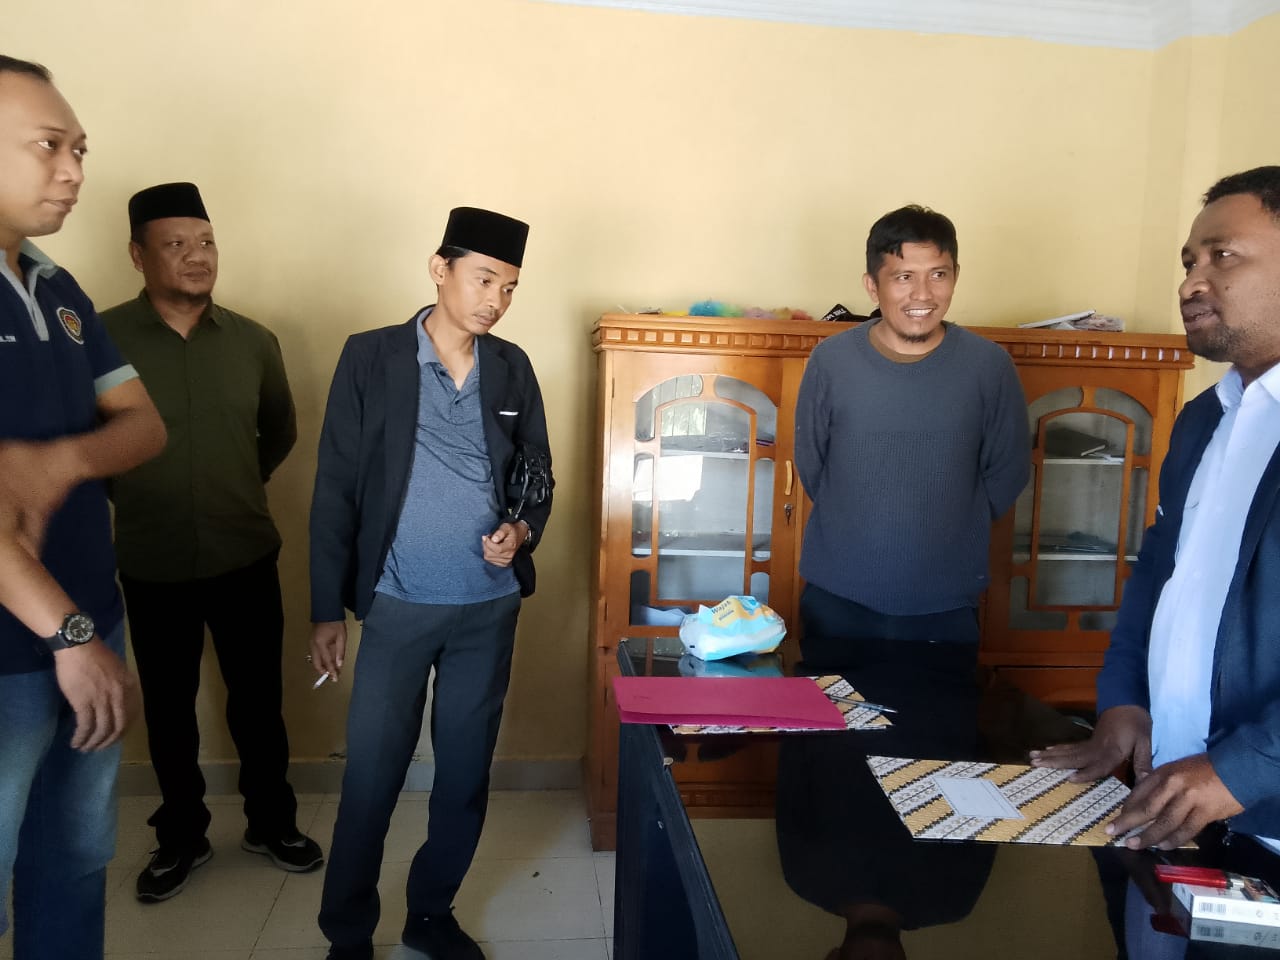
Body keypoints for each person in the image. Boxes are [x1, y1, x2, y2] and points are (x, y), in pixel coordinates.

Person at [309, 206, 553, 960]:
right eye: (484, 279)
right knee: (371, 780)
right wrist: (325, 609)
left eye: (509, 288)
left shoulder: (511, 366)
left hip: (487, 609)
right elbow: (335, 485)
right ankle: (348, 932)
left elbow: (537, 475)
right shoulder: (371, 357)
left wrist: (521, 530)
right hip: (398, 605)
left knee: (464, 778)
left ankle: (430, 915)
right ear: (439, 269)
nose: (495, 300)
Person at [1032, 167, 1280, 865]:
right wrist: (1124, 699)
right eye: (1189, 262)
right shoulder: (1205, 419)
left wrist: (1241, 770)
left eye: (1222, 256)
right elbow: (1161, 574)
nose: (1192, 282)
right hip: (1176, 805)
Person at [100, 182, 322, 902]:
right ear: (138, 255)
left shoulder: (255, 342)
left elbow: (278, 430)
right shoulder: (101, 339)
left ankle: (271, 823)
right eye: (176, 244)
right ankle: (181, 836)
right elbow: (84, 444)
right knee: (169, 709)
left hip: (244, 553)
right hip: (151, 558)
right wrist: (138, 496)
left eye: (206, 242)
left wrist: (232, 485)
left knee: (258, 703)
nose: (197, 257)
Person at [0, 54, 166, 958]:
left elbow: (144, 426)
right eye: (47, 146)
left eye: (80, 149)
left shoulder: (58, 289)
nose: (73, 171)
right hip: (23, 652)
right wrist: (69, 638)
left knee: (72, 862)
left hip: (91, 625)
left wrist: (59, 461)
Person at [794, 205, 1029, 666]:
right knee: (831, 713)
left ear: (956, 276)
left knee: (937, 713)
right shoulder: (831, 361)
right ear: (872, 285)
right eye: (903, 277)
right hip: (839, 595)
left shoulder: (988, 366)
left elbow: (1008, 468)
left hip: (945, 603)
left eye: (938, 274)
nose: (922, 294)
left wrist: (950, 524)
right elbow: (812, 463)